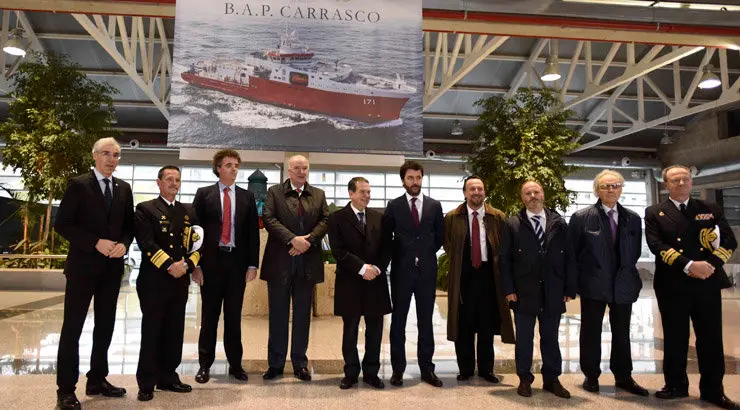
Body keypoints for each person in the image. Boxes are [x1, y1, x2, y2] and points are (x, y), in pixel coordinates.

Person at [645, 165, 738, 409]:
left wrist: (709, 265)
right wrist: (689, 265)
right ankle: (675, 385)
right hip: (672, 284)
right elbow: (657, 245)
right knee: (675, 337)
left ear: (692, 183)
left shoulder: (709, 209)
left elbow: (729, 240)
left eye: (685, 179)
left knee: (710, 338)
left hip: (706, 281)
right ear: (666, 184)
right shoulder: (655, 212)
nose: (681, 183)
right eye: (675, 180)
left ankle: (713, 390)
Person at [54, 137, 134, 410]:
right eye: (107, 154)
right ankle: (65, 389)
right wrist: (94, 242)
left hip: (111, 270)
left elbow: (128, 226)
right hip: (82, 269)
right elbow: (62, 224)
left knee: (105, 327)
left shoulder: (124, 188)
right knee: (72, 328)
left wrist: (124, 243)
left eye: (117, 155)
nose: (112, 159)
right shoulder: (78, 185)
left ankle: (97, 379)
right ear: (95, 156)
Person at [568, 169, 648, 396]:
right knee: (591, 331)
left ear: (621, 189)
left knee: (622, 332)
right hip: (594, 284)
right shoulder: (582, 218)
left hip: (623, 284)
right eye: (605, 186)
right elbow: (572, 254)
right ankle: (590, 375)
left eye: (615, 186)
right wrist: (572, 286)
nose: (611, 190)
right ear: (597, 190)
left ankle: (624, 376)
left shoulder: (632, 218)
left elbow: (633, 251)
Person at [501, 181, 576, 398]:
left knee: (550, 337)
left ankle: (552, 379)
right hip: (523, 291)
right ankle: (524, 379)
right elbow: (504, 260)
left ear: (543, 194)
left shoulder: (559, 222)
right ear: (522, 197)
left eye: (536, 191)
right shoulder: (512, 223)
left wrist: (569, 287)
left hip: (553, 290)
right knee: (524, 339)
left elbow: (570, 256)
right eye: (528, 193)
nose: (533, 195)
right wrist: (509, 289)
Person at [133, 166, 201, 401]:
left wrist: (188, 265)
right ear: (159, 182)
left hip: (179, 280)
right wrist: (169, 265)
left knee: (174, 329)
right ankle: (147, 382)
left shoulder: (188, 211)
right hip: (154, 279)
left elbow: (198, 244)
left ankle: (169, 377)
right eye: (169, 179)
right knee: (152, 330)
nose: (174, 183)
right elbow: (146, 242)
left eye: (177, 180)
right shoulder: (145, 209)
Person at [191, 149, 260, 384]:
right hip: (210, 264)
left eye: (236, 165)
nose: (233, 169)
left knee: (233, 318)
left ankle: (236, 365)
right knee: (209, 318)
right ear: (218, 168)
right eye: (229, 165)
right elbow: (194, 232)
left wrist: (252, 264)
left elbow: (252, 234)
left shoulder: (246, 197)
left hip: (236, 264)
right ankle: (204, 366)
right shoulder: (204, 194)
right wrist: (195, 264)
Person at [261, 155, 329, 382]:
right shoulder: (275, 192)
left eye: (305, 168)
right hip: (280, 262)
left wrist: (307, 241)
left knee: (302, 316)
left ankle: (300, 363)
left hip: (306, 263)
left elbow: (325, 220)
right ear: (289, 171)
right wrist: (292, 240)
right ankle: (276, 364)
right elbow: (269, 218)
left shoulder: (318, 194)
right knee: (278, 315)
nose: (302, 172)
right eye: (297, 168)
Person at [443, 176, 514, 384]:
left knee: (486, 326)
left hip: (489, 278)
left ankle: (486, 370)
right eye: (472, 189)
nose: (476, 192)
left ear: (485, 192)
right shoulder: (452, 217)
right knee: (462, 325)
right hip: (463, 279)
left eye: (480, 188)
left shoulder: (497, 216)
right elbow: (448, 244)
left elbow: (504, 247)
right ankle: (464, 369)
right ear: (465, 193)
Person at [383, 160, 445, 387]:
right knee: (398, 322)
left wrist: (424, 254)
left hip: (427, 272)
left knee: (426, 322)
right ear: (403, 181)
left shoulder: (434, 205)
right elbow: (386, 237)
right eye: (410, 178)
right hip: (401, 272)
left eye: (418, 178)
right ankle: (398, 370)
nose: (415, 182)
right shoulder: (394, 205)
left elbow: (440, 236)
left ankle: (427, 369)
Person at [328, 177, 392, 390]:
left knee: (375, 330)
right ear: (351, 193)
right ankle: (351, 372)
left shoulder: (378, 217)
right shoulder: (337, 218)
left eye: (368, 192)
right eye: (362, 192)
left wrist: (377, 269)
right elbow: (337, 250)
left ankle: (372, 373)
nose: (367, 196)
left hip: (376, 281)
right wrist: (362, 268)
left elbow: (387, 247)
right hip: (350, 281)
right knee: (351, 329)